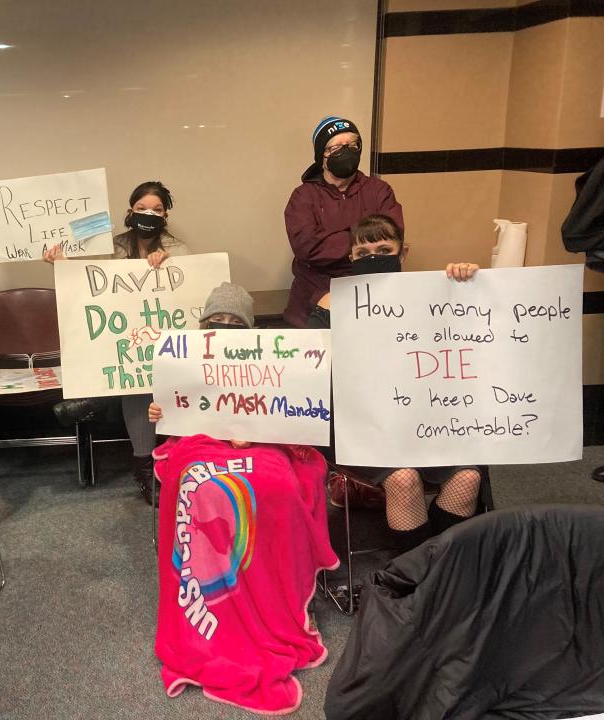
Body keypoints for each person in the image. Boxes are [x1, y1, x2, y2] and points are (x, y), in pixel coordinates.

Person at [147, 282, 338, 714]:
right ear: (203, 324)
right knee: (201, 488)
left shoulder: (270, 360)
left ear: (249, 329)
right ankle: (213, 595)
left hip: (264, 445)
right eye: (217, 320)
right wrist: (161, 411)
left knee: (279, 487)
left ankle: (275, 586)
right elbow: (175, 413)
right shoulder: (187, 359)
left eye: (235, 322)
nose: (225, 327)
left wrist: (255, 430)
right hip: (198, 445)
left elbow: (290, 409)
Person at [309, 214, 482, 553]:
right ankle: (417, 572)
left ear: (403, 254)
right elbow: (309, 371)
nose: (373, 257)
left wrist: (468, 285)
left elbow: (475, 335)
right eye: (363, 252)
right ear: (352, 259)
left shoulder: (433, 294)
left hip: (427, 418)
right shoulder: (330, 304)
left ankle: (440, 567)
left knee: (468, 478)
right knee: (404, 480)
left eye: (384, 248)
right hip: (362, 424)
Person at [44, 180, 187, 503]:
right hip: (122, 340)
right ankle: (144, 465)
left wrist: (170, 266)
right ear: (130, 211)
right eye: (141, 208)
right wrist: (62, 265)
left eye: (156, 209)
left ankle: (97, 401)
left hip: (163, 341)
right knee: (136, 383)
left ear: (166, 215)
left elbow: (188, 288)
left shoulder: (178, 250)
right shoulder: (112, 246)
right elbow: (90, 283)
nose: (148, 214)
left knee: (145, 378)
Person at [283, 116, 404, 328]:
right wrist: (366, 239)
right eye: (336, 147)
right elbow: (308, 248)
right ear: (322, 156)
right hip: (311, 304)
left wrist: (335, 240)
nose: (345, 151)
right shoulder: (303, 197)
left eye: (351, 145)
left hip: (372, 300)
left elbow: (393, 238)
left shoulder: (379, 190)